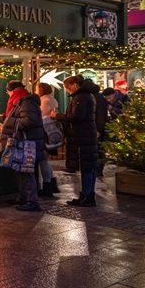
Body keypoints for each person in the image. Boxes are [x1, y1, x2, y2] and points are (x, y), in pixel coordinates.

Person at [53, 76, 98, 207]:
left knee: (86, 166)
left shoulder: (81, 97)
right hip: (86, 135)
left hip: (82, 136)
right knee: (89, 166)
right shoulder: (87, 95)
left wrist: (57, 116)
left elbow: (77, 116)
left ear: (75, 85)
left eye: (67, 87)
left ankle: (87, 195)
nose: (66, 90)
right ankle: (88, 195)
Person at [0, 85, 45, 211]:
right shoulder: (20, 101)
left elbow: (29, 121)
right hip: (22, 141)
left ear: (13, 91)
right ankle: (23, 197)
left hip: (26, 142)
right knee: (19, 170)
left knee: (26, 172)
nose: (8, 94)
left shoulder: (27, 102)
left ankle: (32, 201)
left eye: (8, 91)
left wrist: (9, 121)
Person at [36, 82, 61, 196]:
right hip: (52, 133)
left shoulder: (44, 101)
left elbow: (41, 116)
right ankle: (51, 184)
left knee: (42, 160)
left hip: (46, 133)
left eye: (37, 88)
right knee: (45, 160)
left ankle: (47, 186)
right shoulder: (52, 99)